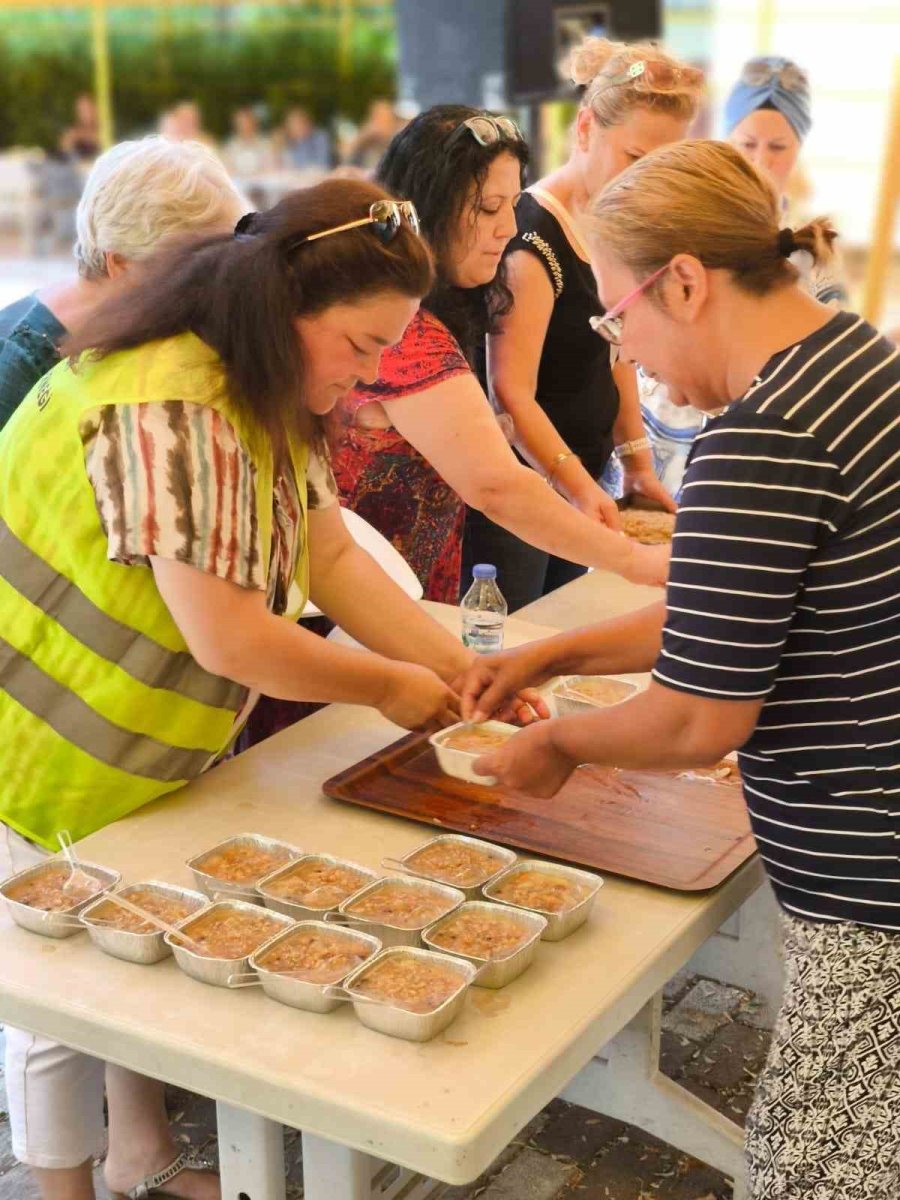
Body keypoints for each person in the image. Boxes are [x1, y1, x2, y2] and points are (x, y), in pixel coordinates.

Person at [0, 178, 501, 1200]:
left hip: (119, 752)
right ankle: (60, 1188)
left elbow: (333, 560)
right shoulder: (170, 401)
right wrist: (390, 688)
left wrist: (458, 672)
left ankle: (138, 1155)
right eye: (361, 345)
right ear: (287, 309)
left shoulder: (257, 377)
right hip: (32, 750)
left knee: (121, 965)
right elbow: (230, 636)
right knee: (56, 1009)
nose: (370, 376)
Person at [458, 140, 900, 1200]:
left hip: (869, 885)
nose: (631, 359)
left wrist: (555, 743)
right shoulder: (858, 358)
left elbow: (700, 719)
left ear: (688, 282)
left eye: (621, 319)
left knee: (816, 1176)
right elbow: (727, 615)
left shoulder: (763, 436)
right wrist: (554, 650)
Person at [327, 105, 667, 609]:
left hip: (406, 596)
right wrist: (638, 561)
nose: (508, 227)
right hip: (360, 606)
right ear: (429, 209)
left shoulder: (455, 302)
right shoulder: (401, 327)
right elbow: (497, 486)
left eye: (513, 204)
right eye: (488, 209)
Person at [463, 37, 703, 610]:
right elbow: (510, 392)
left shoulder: (612, 223)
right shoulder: (531, 236)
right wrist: (576, 487)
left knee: (568, 627)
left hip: (584, 476)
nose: (647, 180)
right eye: (635, 158)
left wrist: (637, 463)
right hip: (527, 486)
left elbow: (614, 350)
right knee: (517, 634)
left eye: (664, 165)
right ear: (587, 128)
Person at [641, 53, 849, 498]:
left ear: (799, 149)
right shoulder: (684, 221)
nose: (761, 160)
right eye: (747, 144)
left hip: (765, 439)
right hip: (669, 434)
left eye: (778, 148)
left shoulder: (815, 245)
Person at [0, 136, 247, 432]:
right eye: (198, 268)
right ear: (120, 264)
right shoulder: (17, 370)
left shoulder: (132, 320)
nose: (218, 283)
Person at [222, 105, 275, 179]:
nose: (244, 126)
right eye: (240, 122)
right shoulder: (230, 147)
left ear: (253, 123)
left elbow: (270, 168)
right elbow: (227, 171)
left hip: (261, 184)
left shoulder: (265, 144)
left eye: (247, 122)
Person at [278, 105, 332, 171]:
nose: (296, 128)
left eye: (298, 123)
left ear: (307, 123)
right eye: (292, 125)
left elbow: (322, 163)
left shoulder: (320, 137)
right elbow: (287, 165)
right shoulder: (291, 141)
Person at [59, 93, 101, 162]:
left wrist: (83, 135)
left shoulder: (104, 125)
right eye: (81, 110)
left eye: (86, 108)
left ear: (95, 108)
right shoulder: (76, 128)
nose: (84, 113)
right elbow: (64, 148)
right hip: (78, 166)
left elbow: (102, 141)